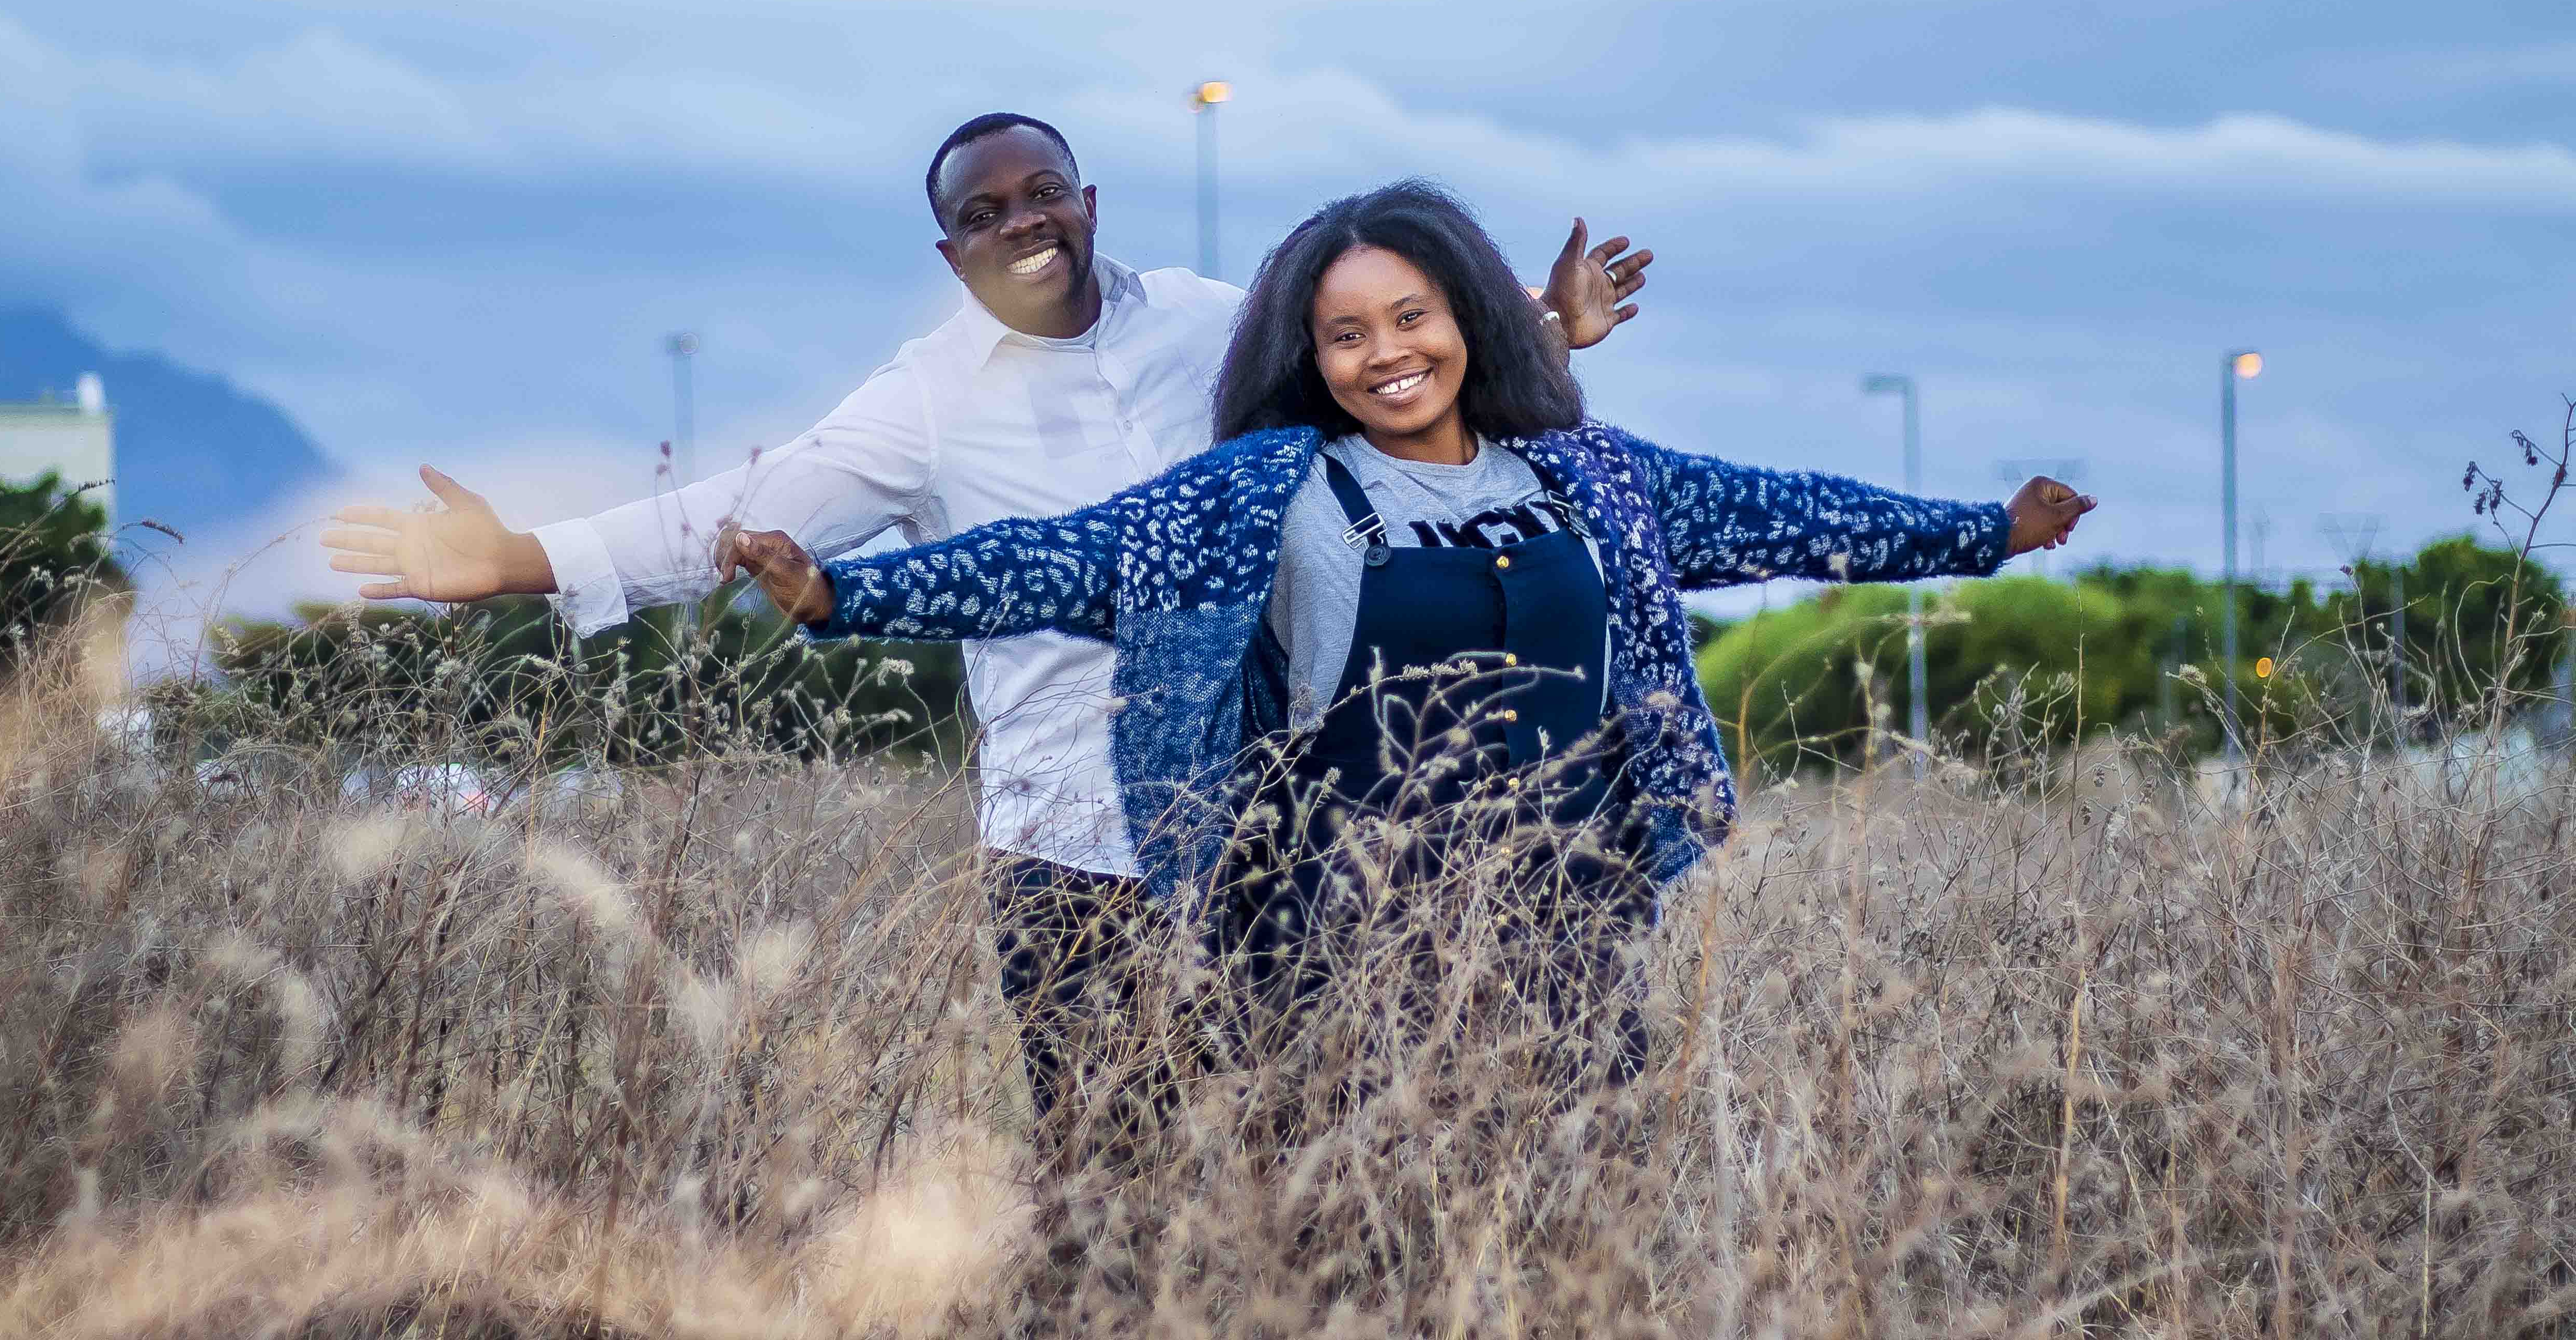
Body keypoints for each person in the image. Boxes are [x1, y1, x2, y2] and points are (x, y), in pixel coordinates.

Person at [319, 119, 1654, 1138]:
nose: (1022, 222)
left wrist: (1549, 334)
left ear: (1088, 203)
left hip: (1276, 840)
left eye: (1041, 194)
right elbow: (736, 514)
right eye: (983, 213)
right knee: (1109, 1187)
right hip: (1072, 860)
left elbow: (1390, 382)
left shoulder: (1213, 324)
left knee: (1301, 1169)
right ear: (950, 252)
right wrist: (518, 561)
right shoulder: (926, 404)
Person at [722, 179, 2096, 1083]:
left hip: (1571, 933)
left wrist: (1986, 530)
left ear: (1467, 321)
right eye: (1345, 335)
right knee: (1372, 1283)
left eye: (1411, 319)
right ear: (1307, 357)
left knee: (1569, 1252)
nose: (1386, 355)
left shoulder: (1589, 474)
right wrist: (846, 598)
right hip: (1339, 948)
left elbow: (1785, 515)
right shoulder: (1262, 492)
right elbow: (1055, 559)